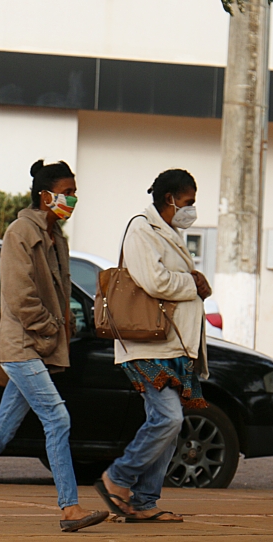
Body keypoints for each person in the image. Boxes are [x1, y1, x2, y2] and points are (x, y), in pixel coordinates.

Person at [0, 159, 108, 532]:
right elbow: (20, 296)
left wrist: (65, 323)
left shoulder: (56, 238)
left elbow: (58, 292)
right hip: (22, 344)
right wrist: (52, 328)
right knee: (57, 417)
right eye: (67, 192)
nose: (72, 199)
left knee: (3, 427)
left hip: (38, 343)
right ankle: (69, 508)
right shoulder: (20, 232)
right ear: (45, 195)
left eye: (74, 192)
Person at [93, 168, 210, 523]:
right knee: (168, 418)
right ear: (169, 199)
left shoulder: (168, 231)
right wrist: (193, 283)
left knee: (168, 425)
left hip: (174, 347)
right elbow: (154, 280)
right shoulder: (142, 230)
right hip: (146, 347)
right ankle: (117, 479)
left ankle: (144, 501)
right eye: (188, 202)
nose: (191, 209)